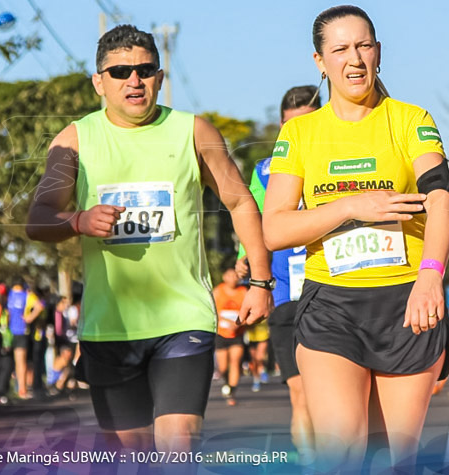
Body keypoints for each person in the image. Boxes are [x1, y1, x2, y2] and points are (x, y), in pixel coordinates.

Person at [26, 24, 273, 453]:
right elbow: (38, 220)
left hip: (183, 318)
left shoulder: (194, 132)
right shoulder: (75, 140)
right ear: (99, 82)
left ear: (159, 77)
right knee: (132, 454)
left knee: (178, 444)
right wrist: (79, 220)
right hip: (110, 327)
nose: (134, 80)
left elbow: (240, 203)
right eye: (120, 72)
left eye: (144, 69)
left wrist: (261, 281)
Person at [263, 5, 449, 470]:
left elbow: (442, 202)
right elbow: (275, 228)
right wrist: (350, 206)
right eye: (340, 49)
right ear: (320, 62)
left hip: (408, 303)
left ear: (377, 52)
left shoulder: (410, 120)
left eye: (364, 46)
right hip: (332, 305)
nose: (354, 59)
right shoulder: (300, 133)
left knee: (394, 460)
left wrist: (431, 277)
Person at [238, 84, 319, 461]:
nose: (299, 132)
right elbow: (250, 216)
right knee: (301, 394)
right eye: (290, 125)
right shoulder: (265, 170)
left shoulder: (338, 158)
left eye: (308, 122)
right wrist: (245, 256)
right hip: (287, 296)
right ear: (281, 125)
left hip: (335, 291)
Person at [212, 268, 248, 407]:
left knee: (235, 361)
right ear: (224, 277)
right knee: (222, 366)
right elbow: (212, 310)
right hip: (221, 333)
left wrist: (238, 324)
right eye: (229, 275)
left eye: (235, 276)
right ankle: (226, 383)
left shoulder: (243, 292)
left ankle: (231, 391)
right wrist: (225, 321)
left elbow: (248, 311)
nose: (233, 278)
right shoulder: (218, 291)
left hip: (237, 333)